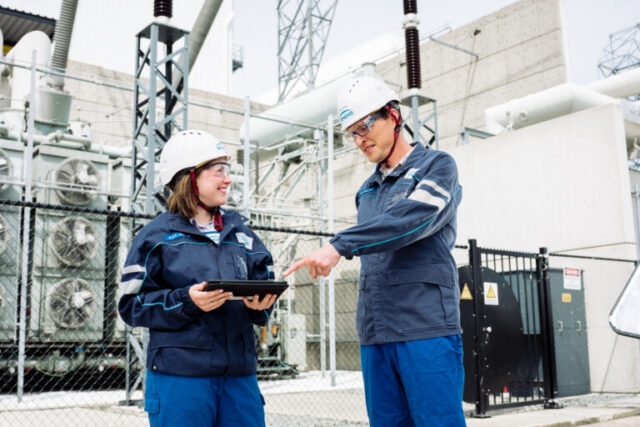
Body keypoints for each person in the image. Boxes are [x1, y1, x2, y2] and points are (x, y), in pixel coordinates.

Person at [284, 76, 466, 426]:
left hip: (424, 329)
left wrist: (340, 244)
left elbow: (410, 220)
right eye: (351, 132)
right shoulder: (367, 189)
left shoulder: (438, 167)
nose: (359, 139)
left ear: (394, 116)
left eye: (365, 125)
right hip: (376, 332)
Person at [118, 130, 277, 427]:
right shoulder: (155, 236)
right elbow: (131, 305)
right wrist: (186, 301)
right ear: (189, 177)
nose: (227, 179)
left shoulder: (242, 233)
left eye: (227, 170)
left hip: (239, 379)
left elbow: (265, 286)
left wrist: (261, 306)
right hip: (181, 380)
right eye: (218, 171)